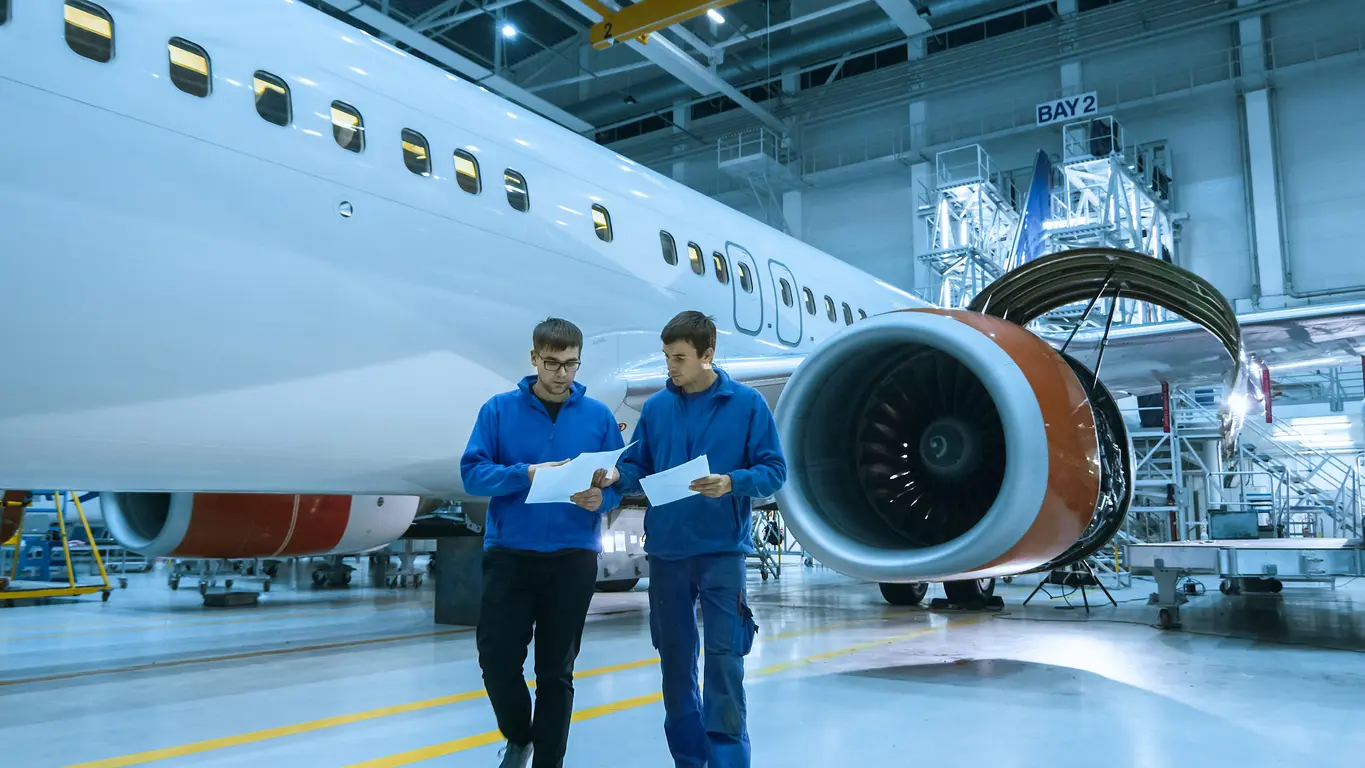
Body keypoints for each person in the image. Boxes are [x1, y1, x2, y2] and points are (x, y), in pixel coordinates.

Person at [596, 310, 787, 768]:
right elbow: (640, 463)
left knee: (725, 663)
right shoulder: (659, 407)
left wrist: (732, 482)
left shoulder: (747, 405)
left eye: (679, 357)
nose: (670, 367)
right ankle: (687, 758)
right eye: (666, 357)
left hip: (721, 553)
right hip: (666, 554)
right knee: (676, 666)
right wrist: (618, 474)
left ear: (708, 354)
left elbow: (773, 471)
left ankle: (727, 762)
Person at [460, 317, 625, 768]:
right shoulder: (497, 411)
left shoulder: (598, 417)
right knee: (496, 658)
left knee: (556, 671)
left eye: (571, 365)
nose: (561, 375)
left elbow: (616, 479)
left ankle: (548, 761)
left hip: (573, 557)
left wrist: (602, 497)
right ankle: (519, 735)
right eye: (551, 363)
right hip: (510, 553)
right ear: (534, 359)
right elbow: (472, 474)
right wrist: (526, 473)